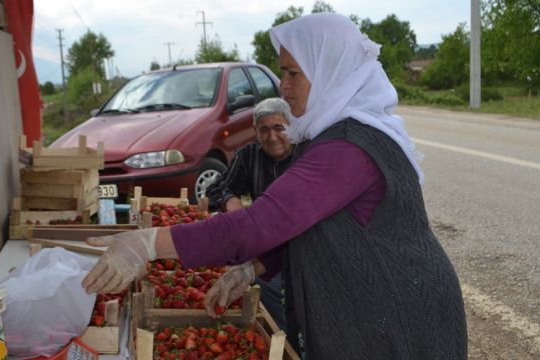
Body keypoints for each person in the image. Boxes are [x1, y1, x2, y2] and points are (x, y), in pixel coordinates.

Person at [83, 13, 467, 359]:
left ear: (329, 69)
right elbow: (309, 227)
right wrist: (254, 268)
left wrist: (148, 244)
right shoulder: (332, 136)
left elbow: (259, 223)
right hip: (377, 305)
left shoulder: (348, 148)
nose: (282, 86)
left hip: (397, 310)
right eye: (282, 72)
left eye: (293, 73)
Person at [205, 97, 293, 330]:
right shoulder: (250, 156)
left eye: (279, 128)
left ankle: (292, 338)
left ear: (291, 125)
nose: (272, 136)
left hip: (302, 247)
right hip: (267, 245)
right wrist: (231, 201)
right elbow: (217, 187)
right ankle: (284, 340)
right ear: (255, 131)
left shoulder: (305, 155)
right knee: (261, 285)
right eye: (264, 129)